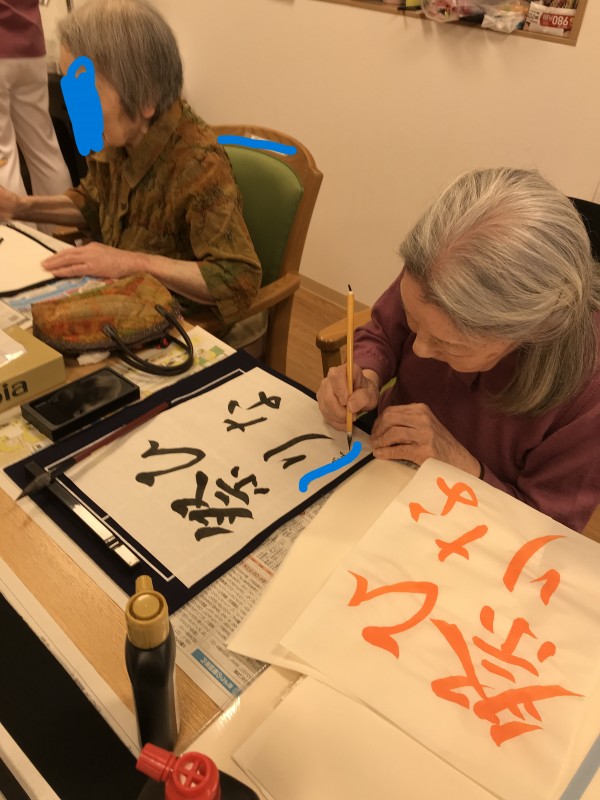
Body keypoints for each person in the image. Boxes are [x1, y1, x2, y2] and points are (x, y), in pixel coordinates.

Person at [317, 168, 600, 532]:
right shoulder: (436, 270)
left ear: (531, 330)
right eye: (415, 323)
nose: (418, 349)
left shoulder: (588, 394)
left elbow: (546, 530)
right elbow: (383, 332)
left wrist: (460, 466)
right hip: (386, 464)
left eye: (448, 344)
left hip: (474, 525)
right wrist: (366, 376)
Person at [0, 0, 261, 322]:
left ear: (146, 96)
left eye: (87, 91)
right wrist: (19, 206)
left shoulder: (198, 162)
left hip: (183, 324)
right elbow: (93, 200)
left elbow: (238, 279)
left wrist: (129, 262)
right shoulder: (119, 138)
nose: (76, 108)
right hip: (123, 301)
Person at [0, 0, 71, 198]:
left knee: (3, 158)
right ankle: (62, 219)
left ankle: (16, 219)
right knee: (45, 151)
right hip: (31, 46)